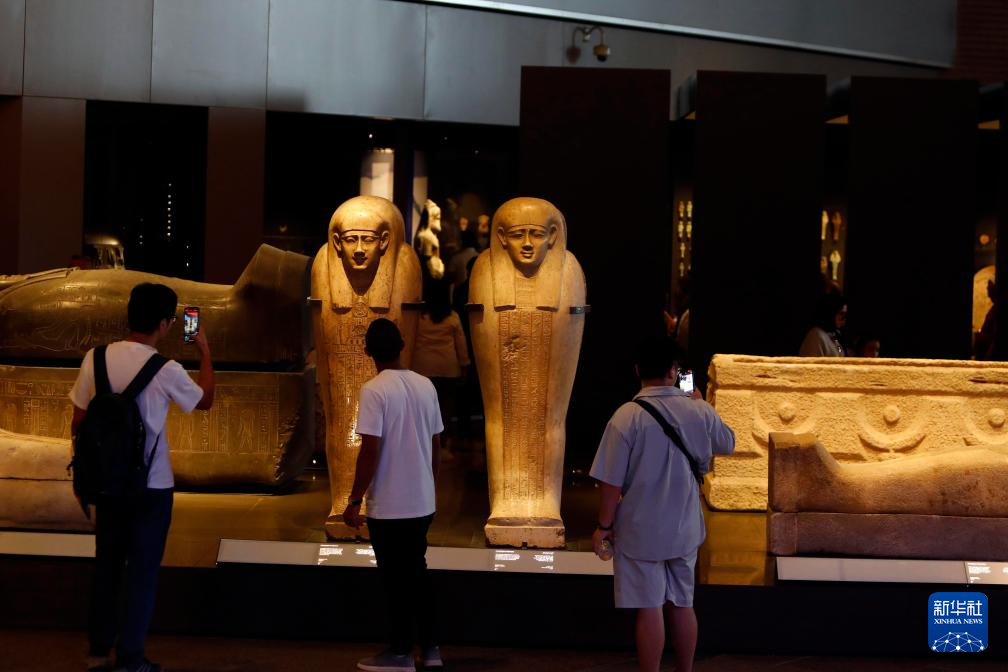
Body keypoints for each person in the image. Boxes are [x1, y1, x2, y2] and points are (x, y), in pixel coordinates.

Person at [71, 283, 215, 672]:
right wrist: (204, 350)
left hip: (107, 484)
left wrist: (89, 470)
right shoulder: (166, 369)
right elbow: (205, 399)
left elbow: (79, 421)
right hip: (151, 486)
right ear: (165, 325)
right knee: (142, 572)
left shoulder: (95, 358)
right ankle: (131, 657)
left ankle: (98, 650)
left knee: (107, 566)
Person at [590, 337, 735, 672]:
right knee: (683, 602)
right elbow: (727, 443)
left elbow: (611, 481)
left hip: (640, 529)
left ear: (637, 370)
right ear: (674, 371)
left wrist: (604, 526)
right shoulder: (698, 410)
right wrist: (702, 405)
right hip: (685, 526)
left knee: (650, 606)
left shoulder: (625, 417)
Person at [343, 318, 444, 672]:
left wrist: (354, 500)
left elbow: (370, 449)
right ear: (402, 345)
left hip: (389, 505)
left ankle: (400, 652)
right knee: (417, 574)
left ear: (367, 351)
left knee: (395, 580)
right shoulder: (426, 385)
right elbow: (436, 442)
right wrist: (428, 484)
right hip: (421, 501)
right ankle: (430, 648)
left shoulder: (374, 390)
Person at [412, 278, 470, 451]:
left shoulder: (418, 317)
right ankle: (442, 446)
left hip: (422, 369)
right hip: (448, 369)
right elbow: (461, 344)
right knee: (445, 411)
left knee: (423, 410)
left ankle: (424, 446)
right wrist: (464, 365)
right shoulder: (452, 317)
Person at [799, 293, 847, 357]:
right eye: (841, 314)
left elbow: (840, 352)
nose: (843, 320)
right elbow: (813, 361)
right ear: (830, 313)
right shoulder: (816, 336)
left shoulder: (834, 336)